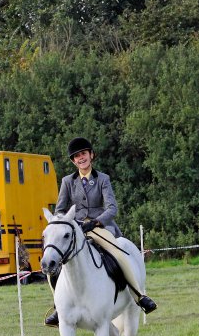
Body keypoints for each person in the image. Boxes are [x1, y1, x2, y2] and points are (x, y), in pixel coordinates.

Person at [45, 137, 157, 326]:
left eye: (83, 154)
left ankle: (139, 296)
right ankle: (58, 307)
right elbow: (60, 210)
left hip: (100, 227)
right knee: (52, 263)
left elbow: (112, 208)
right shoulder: (67, 181)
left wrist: (95, 222)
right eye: (77, 156)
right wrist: (66, 223)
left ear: (91, 155)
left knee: (118, 255)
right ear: (73, 161)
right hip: (75, 230)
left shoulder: (102, 179)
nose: (81, 158)